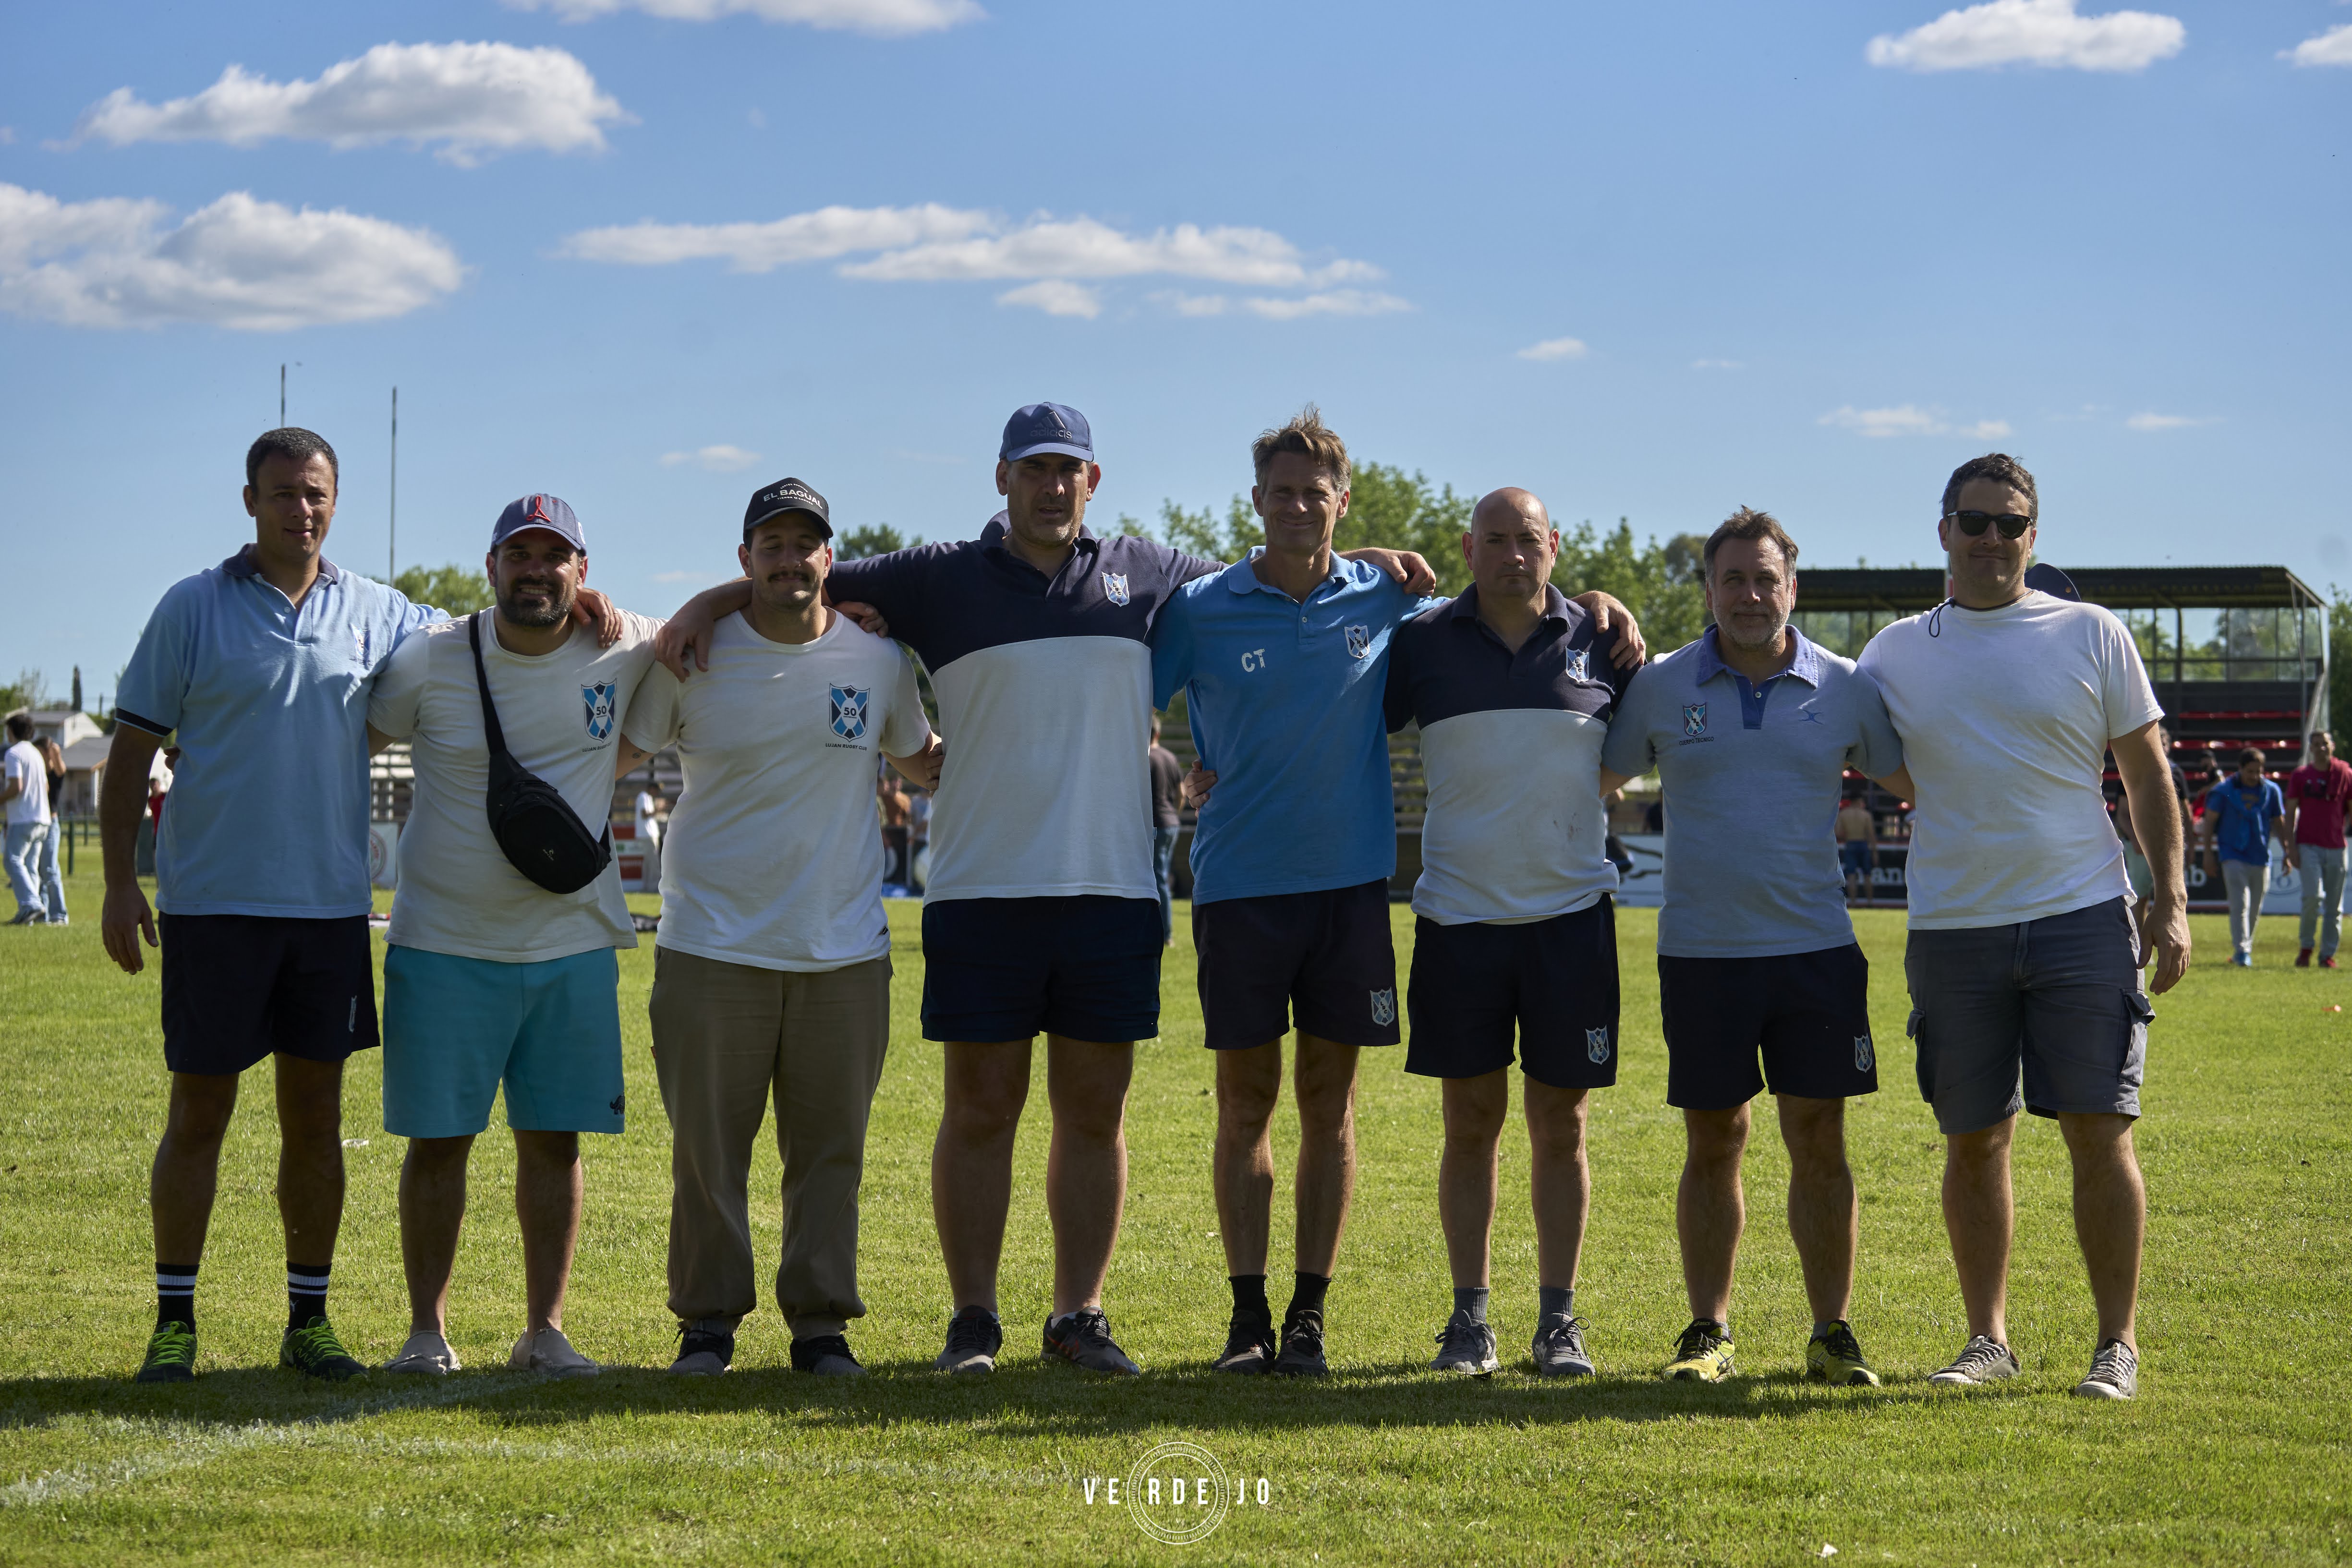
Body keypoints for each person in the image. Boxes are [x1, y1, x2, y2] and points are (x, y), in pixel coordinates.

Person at [656, 406, 1454, 1378]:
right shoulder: (937, 577)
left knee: (1095, 1111)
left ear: (1094, 480)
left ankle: (1079, 1314)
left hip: (1112, 888)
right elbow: (797, 575)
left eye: (1068, 471)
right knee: (980, 1106)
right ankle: (973, 1320)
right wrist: (707, 601)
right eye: (1033, 470)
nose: (1051, 486)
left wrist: (1358, 549)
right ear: (1000, 479)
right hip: (980, 884)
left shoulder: (1154, 575)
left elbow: (1279, 574)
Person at [1156, 420, 1646, 1379]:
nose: (1299, 506)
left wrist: (1606, 600)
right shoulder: (1235, 609)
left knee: (1338, 1106)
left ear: (1342, 501)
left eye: (1317, 492)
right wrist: (1180, 777)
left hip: (1363, 894)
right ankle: (1252, 1318)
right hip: (1253, 890)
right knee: (1247, 1102)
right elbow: (1128, 689)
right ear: (1257, 500)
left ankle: (1319, 1319)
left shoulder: (1437, 612)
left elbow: (1662, 704)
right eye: (1282, 491)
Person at [1857, 452, 2188, 1402]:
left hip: (2081, 918)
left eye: (2010, 524)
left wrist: (2165, 898)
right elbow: (1843, 728)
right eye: (1974, 521)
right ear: (1943, 532)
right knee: (1973, 1137)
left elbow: (2147, 775)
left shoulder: (2090, 632)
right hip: (1954, 927)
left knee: (2101, 1131)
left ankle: (2115, 1344)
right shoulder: (1892, 652)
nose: (1991, 538)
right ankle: (1986, 1337)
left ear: (2033, 536)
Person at [618, 478, 942, 1379]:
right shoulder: (693, 652)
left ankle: (821, 1324)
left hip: (843, 951)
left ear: (828, 558)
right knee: (706, 1155)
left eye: (807, 544)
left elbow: (923, 764)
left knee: (830, 1153)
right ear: (744, 559)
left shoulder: (877, 662)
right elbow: (621, 750)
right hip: (708, 944)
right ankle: (708, 1325)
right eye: (772, 543)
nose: (790, 559)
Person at [1603, 507, 1908, 1387]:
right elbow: (1591, 776)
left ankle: (1831, 1332)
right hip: (1700, 953)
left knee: (1819, 1138)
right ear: (1707, 589)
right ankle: (1708, 1331)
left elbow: (1914, 777)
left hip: (1815, 951)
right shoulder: (1661, 687)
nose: (1748, 595)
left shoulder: (1845, 685)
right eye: (1731, 579)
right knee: (1714, 1139)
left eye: (1764, 579)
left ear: (1792, 587)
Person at [365, 493, 659, 1378]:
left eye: (554, 555)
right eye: (518, 555)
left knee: (556, 1141)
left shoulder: (625, 642)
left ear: (582, 568)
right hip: (443, 943)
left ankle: (545, 1329)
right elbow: (356, 734)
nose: (536, 570)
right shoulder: (429, 658)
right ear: (490, 568)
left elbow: (709, 617)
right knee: (438, 1142)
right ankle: (426, 1330)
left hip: (572, 945)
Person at [1381, 488, 1633, 1379]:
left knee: (1560, 1125)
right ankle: (1468, 1320)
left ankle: (1558, 1321)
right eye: (1494, 539)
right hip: (1458, 922)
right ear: (1467, 547)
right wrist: (1368, 565)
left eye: (1527, 539)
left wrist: (1615, 606)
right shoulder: (1419, 644)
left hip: (1570, 925)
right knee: (1469, 1124)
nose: (1511, 554)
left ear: (1553, 547)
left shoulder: (1603, 640)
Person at [2200, 748, 2285, 968]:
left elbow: (2279, 822)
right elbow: (2209, 821)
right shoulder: (2224, 791)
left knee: (2255, 908)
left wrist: (2287, 851)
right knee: (2241, 905)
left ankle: (2244, 948)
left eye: (2258, 772)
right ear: (2240, 769)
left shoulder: (2271, 792)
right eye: (2250, 771)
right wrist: (2208, 853)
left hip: (2260, 855)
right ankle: (2242, 950)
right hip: (2233, 854)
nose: (2255, 776)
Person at [2283, 730, 2351, 968]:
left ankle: (2328, 955)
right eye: (2316, 744)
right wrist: (2290, 847)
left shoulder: (2345, 772)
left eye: (2325, 743)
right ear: (2310, 748)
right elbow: (2290, 813)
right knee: (2312, 897)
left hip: (2336, 846)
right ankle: (2306, 948)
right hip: (2308, 844)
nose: (2321, 748)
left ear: (2333, 745)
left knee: (2335, 905)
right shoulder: (2301, 776)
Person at [3, 713, 49, 925]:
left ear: (12, 731)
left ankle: (31, 904)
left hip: (23, 818)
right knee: (30, 866)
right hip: (43, 818)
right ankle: (30, 917)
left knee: (12, 860)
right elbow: (46, 787)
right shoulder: (36, 754)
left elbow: (16, 787)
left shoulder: (13, 753)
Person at [1148, 715, 1183, 944]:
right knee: (1162, 876)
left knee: (1157, 880)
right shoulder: (1170, 757)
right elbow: (1182, 792)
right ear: (1159, 733)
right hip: (1171, 824)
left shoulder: (1145, 758)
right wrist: (1175, 815)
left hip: (1155, 825)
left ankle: (1165, 934)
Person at [1836, 791, 1876, 904]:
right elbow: (1871, 835)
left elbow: (1838, 833)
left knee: (1851, 875)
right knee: (1867, 875)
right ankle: (1870, 902)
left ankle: (1853, 902)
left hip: (1851, 843)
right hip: (1863, 844)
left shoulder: (1844, 814)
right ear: (1860, 801)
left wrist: (1848, 835)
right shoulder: (1866, 815)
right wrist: (1875, 852)